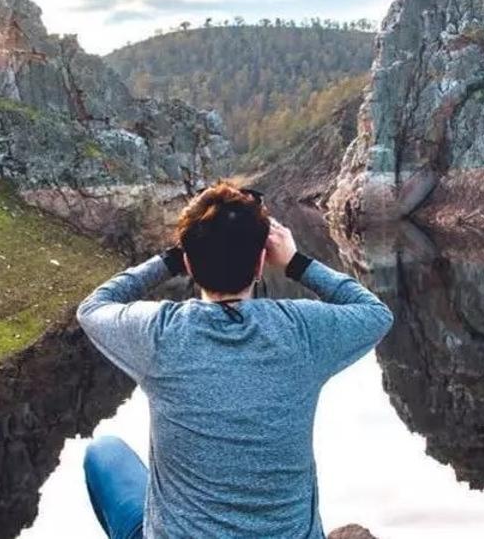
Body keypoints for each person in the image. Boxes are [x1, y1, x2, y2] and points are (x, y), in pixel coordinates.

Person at [76, 182, 394, 539]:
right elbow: (376, 314)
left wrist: (169, 261)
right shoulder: (300, 331)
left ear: (189, 265)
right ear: (260, 263)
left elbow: (92, 308)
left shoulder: (159, 334)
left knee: (103, 452)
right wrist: (296, 263)